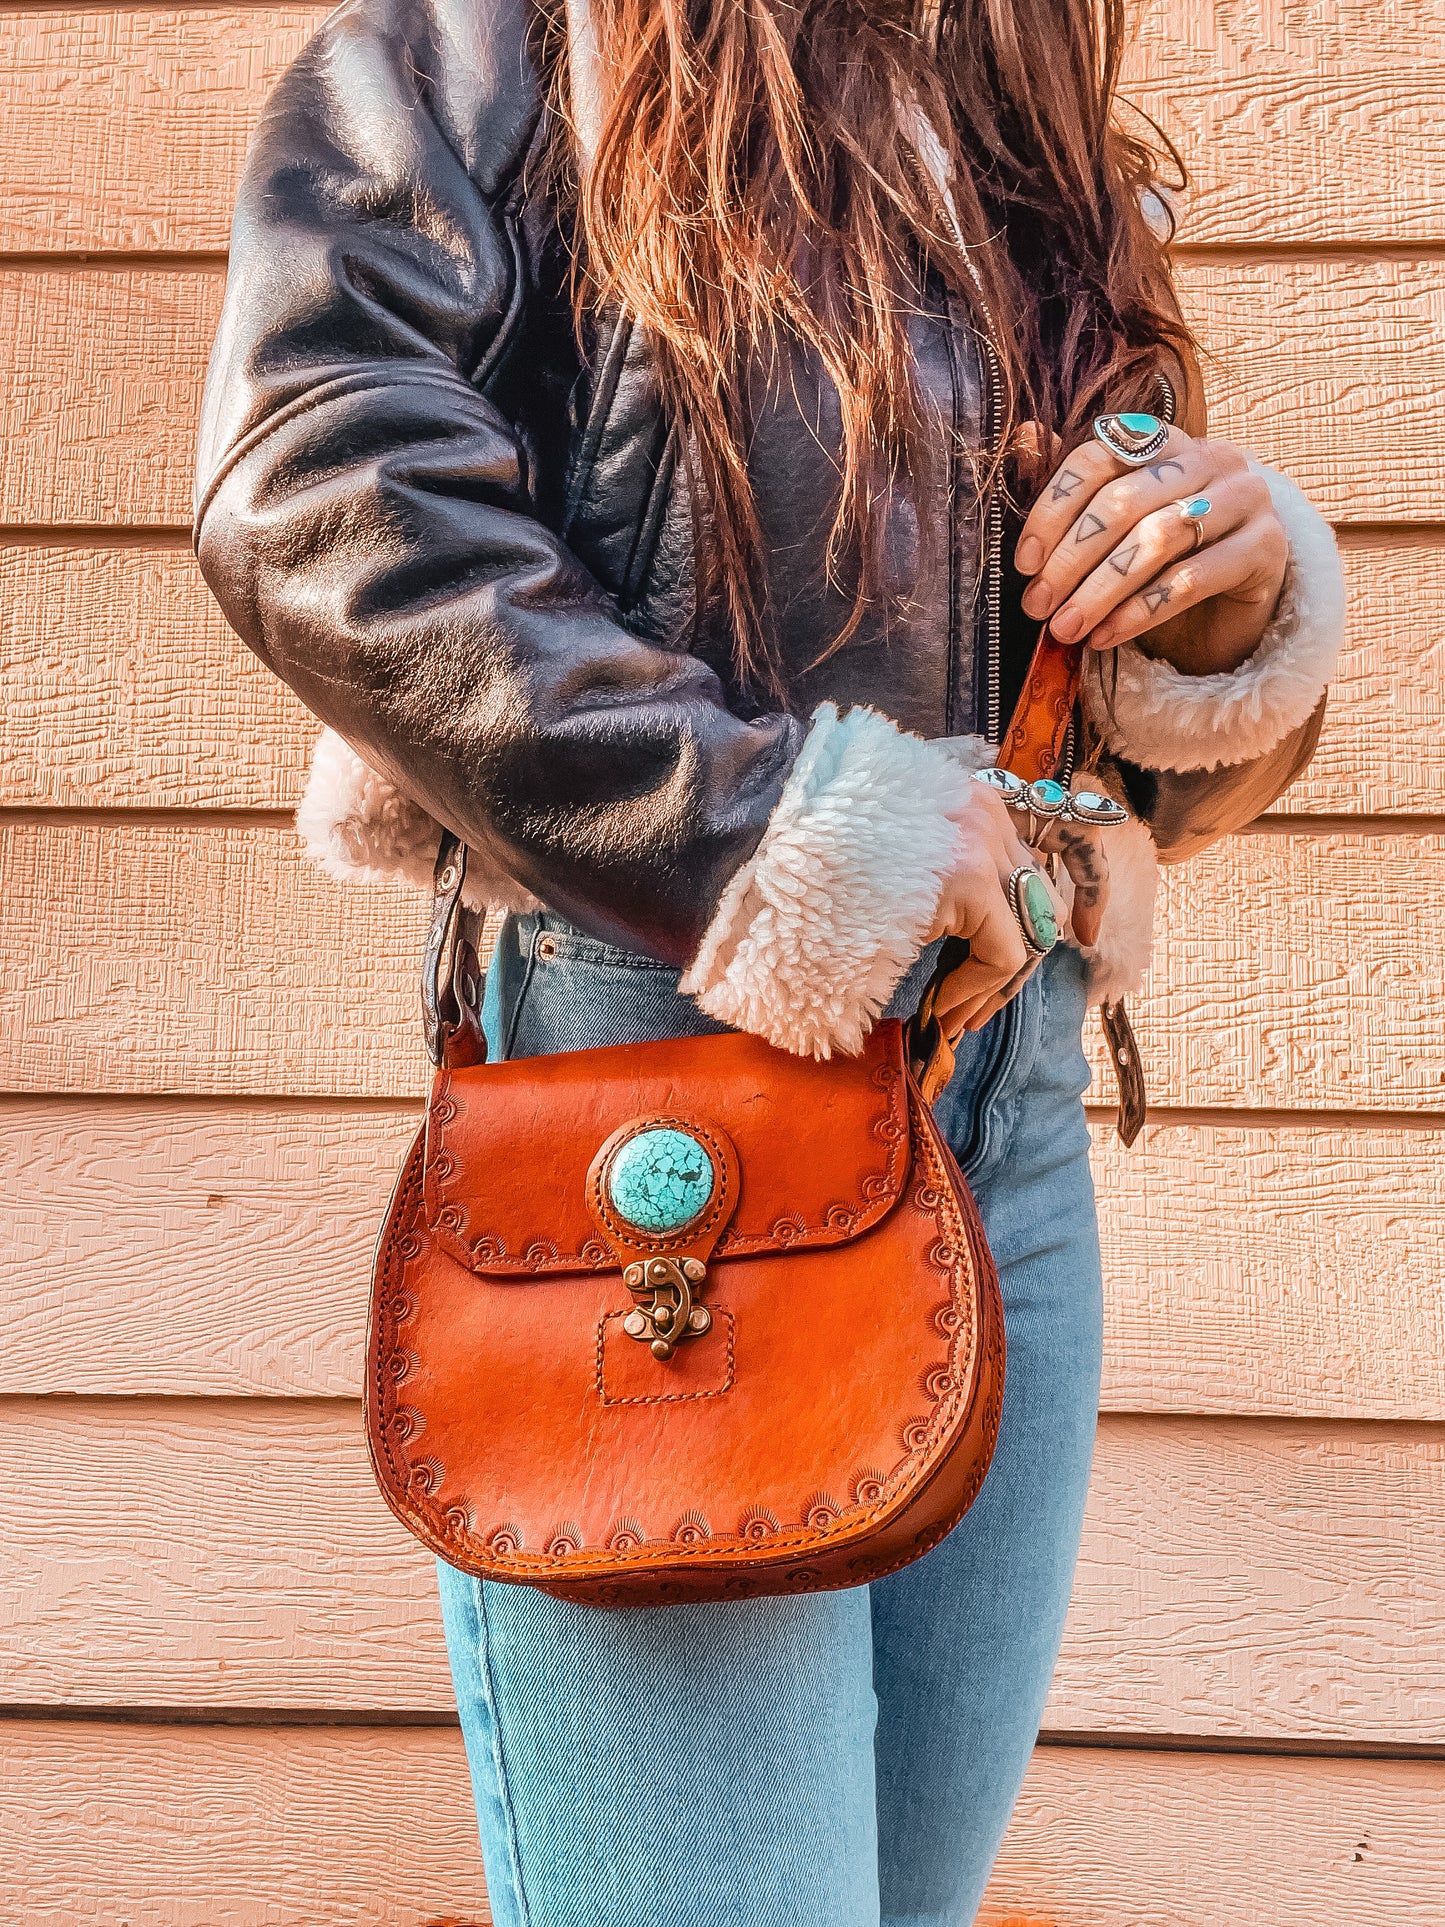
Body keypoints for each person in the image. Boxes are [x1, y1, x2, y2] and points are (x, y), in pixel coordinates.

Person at [193, 1, 1344, 1919]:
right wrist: (771, 827)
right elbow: (313, 484)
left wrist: (1213, 607)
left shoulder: (1008, 70)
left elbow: (1076, 705)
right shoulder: (490, 47)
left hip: (1004, 1094)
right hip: (662, 1096)